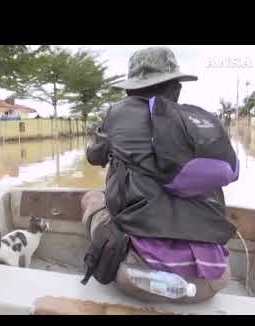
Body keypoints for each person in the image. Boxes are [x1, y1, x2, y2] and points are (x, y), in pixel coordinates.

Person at [82, 47, 239, 303]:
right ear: (176, 88)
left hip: (137, 278)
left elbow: (94, 157)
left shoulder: (118, 113)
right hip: (214, 281)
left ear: (130, 89)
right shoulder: (202, 123)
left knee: (91, 199)